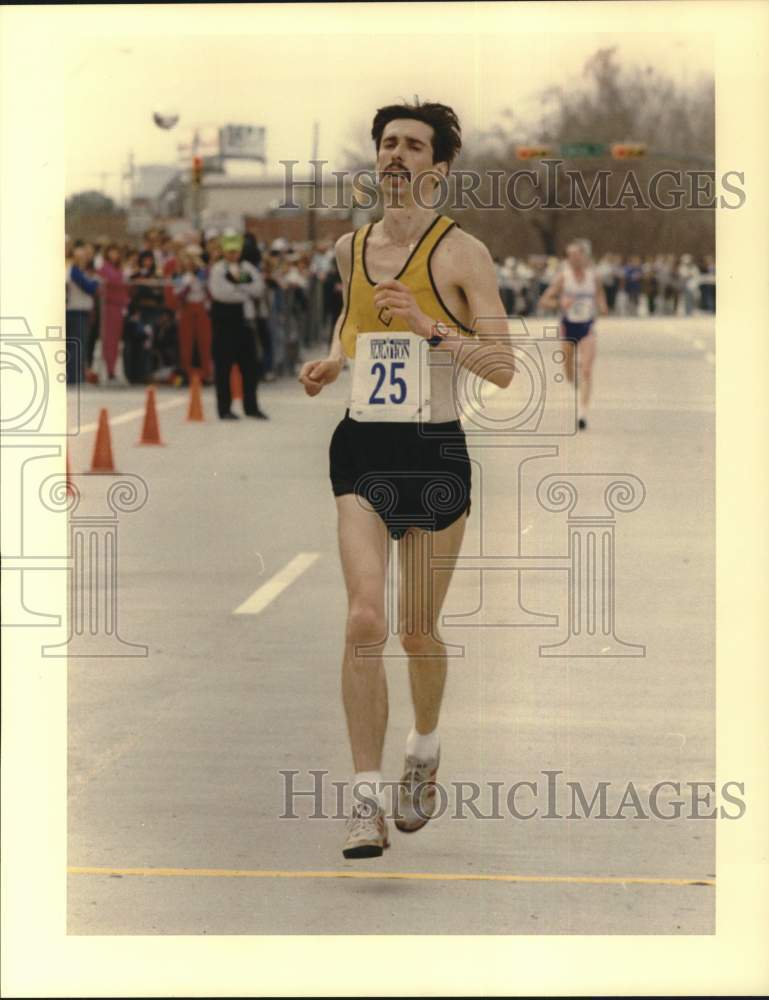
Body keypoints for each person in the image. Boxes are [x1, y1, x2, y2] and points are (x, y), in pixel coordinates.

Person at [298, 100, 515, 859]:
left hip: (433, 455)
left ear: (438, 168)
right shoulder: (347, 249)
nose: (395, 155)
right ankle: (364, 802)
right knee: (365, 620)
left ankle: (422, 751)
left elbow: (503, 368)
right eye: (386, 143)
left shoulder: (463, 256)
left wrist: (430, 327)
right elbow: (352, 328)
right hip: (360, 448)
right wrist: (333, 362)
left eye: (412, 145)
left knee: (418, 629)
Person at [538, 239, 608, 431]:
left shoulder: (594, 278)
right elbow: (544, 301)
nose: (573, 259)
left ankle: (582, 413)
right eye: (570, 256)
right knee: (569, 371)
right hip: (568, 327)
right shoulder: (563, 277)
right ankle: (575, 384)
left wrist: (602, 307)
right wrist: (560, 303)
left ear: (584, 256)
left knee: (586, 370)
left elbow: (601, 299)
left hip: (587, 327)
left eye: (577, 255)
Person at [208, 231, 268, 420]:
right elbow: (221, 293)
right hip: (225, 323)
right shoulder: (218, 269)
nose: (233, 254)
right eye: (230, 251)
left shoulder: (247, 268)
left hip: (245, 323)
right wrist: (245, 291)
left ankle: (251, 407)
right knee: (223, 368)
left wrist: (238, 286)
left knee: (249, 367)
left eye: (236, 251)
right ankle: (224, 408)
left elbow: (258, 288)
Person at [65, 244, 100, 385]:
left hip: (82, 312)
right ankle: (74, 378)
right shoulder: (74, 271)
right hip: (75, 312)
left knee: (81, 346)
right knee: (76, 347)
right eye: (82, 257)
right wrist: (96, 281)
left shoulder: (81, 271)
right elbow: (90, 288)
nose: (85, 259)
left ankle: (78, 377)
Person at [98, 244, 131, 382]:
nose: (114, 255)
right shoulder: (105, 268)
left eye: (116, 252)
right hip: (109, 306)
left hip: (119, 307)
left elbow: (124, 287)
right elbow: (114, 280)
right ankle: (108, 370)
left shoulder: (119, 268)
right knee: (109, 339)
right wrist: (123, 275)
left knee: (116, 341)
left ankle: (113, 369)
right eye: (112, 252)